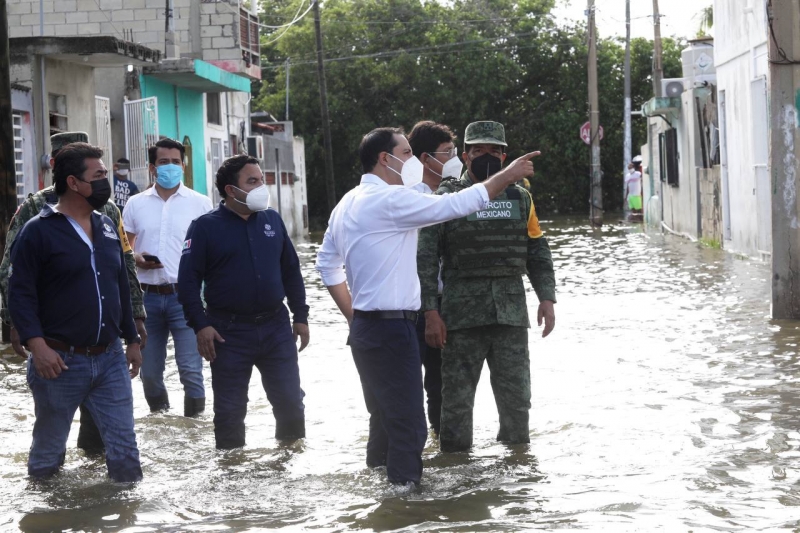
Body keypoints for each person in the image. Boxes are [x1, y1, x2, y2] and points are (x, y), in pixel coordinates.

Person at [315, 127, 540, 486]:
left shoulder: (348, 202)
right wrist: (509, 174)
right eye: (406, 153)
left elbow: (326, 264)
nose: (413, 160)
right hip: (391, 329)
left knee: (385, 421)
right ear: (385, 159)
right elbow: (456, 205)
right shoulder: (389, 201)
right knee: (409, 425)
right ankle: (406, 503)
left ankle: (383, 495)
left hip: (366, 329)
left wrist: (354, 315)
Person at [0, 131, 147, 454]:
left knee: (114, 440)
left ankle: (102, 489)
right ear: (66, 173)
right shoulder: (36, 212)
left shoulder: (108, 214)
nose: (103, 180)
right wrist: (22, 330)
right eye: (97, 174)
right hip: (57, 346)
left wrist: (135, 320)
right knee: (51, 441)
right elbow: (13, 274)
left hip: (105, 348)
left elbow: (122, 267)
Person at [417, 120, 557, 453]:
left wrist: (547, 298)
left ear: (505, 155)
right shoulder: (447, 198)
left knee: (517, 403)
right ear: (465, 156)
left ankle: (517, 481)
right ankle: (456, 476)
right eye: (479, 150)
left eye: (494, 151)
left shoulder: (521, 198)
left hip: (509, 316)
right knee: (456, 407)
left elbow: (537, 248)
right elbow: (425, 257)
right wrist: (430, 312)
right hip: (460, 319)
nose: (487, 156)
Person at [178, 154, 310, 449]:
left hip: (276, 327)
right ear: (230, 189)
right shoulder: (204, 227)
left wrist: (300, 317)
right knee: (229, 412)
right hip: (227, 333)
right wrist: (201, 326)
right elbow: (187, 283)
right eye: (252, 181)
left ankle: (289, 466)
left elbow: (291, 270)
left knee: (291, 402)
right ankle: (231, 475)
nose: (261, 187)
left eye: (261, 180)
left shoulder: (272, 220)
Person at [123, 138, 212, 416]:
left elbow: (211, 252)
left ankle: (194, 431)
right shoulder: (135, 204)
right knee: (149, 374)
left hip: (185, 298)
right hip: (145, 300)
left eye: (176, 162)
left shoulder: (200, 203)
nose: (170, 167)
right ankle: (160, 424)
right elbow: (124, 248)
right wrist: (137, 259)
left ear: (183, 166)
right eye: (164, 162)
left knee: (190, 371)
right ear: (152, 167)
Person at [407, 120, 462, 436]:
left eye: (454, 151)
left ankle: (443, 444)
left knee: (444, 384)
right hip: (412, 306)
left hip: (447, 303)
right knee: (409, 384)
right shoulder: (409, 198)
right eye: (447, 152)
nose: (454, 159)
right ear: (425, 158)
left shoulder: (456, 195)